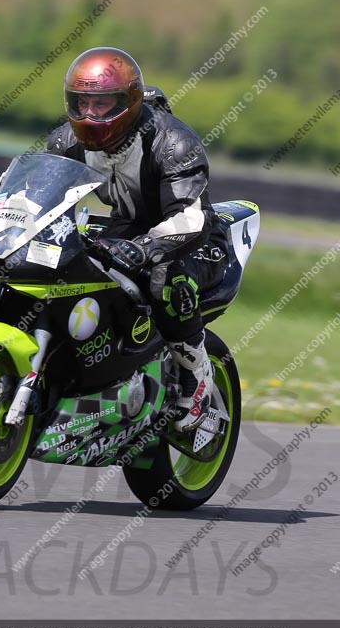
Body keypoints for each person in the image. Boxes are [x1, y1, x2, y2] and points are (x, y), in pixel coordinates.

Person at [46, 47, 229, 433]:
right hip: (124, 227)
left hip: (195, 238)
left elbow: (190, 217)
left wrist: (145, 248)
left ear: (127, 102)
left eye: (103, 103)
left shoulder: (172, 142)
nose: (91, 114)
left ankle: (196, 375)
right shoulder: (66, 142)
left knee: (165, 279)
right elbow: (41, 195)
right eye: (83, 102)